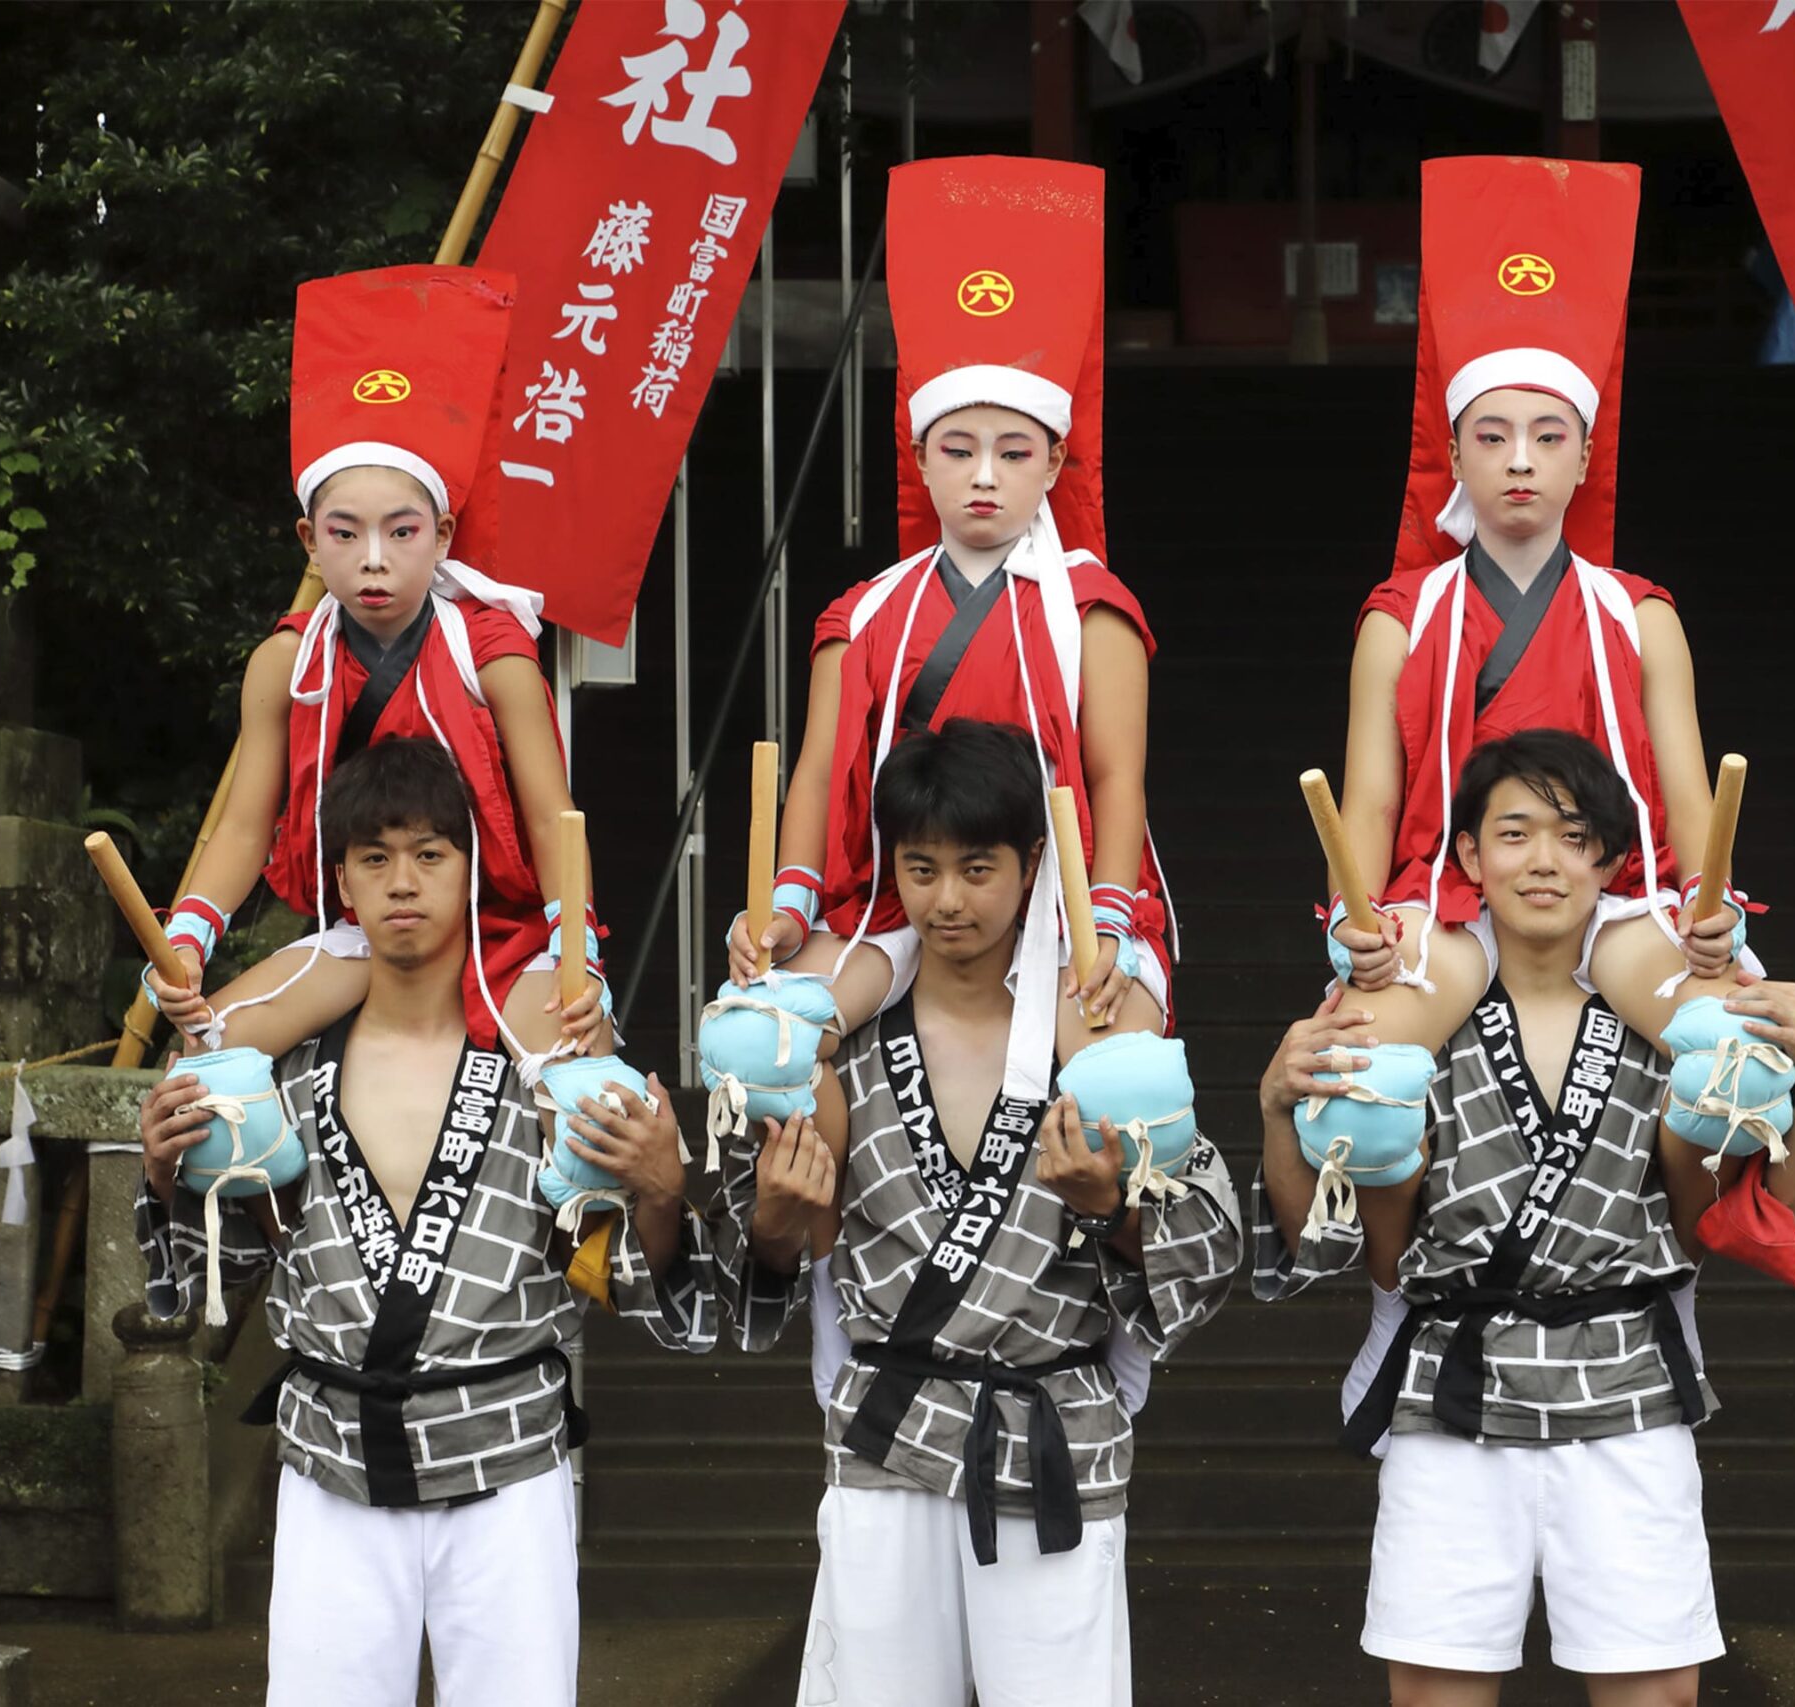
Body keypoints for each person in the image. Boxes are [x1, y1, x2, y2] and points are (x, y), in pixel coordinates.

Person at [1255, 730, 1795, 1705]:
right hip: (1451, 1396)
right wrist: (1280, 1105)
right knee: (1436, 1692)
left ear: (1612, 863)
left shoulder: (1668, 1019)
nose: (1542, 860)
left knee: (1653, 1693)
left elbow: (1757, 1219)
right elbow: (1352, 1243)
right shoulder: (1414, 1015)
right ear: (1469, 860)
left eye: (1574, 838)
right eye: (1514, 833)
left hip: (1628, 1394)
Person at [135, 738, 717, 1707]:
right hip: (331, 1467)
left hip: (507, 1465)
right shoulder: (288, 1076)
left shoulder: (536, 1072)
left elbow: (599, 1275)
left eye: (431, 854)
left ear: (473, 867)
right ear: (343, 884)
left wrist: (659, 1192)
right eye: (375, 857)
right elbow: (224, 1267)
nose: (403, 883)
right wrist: (165, 1176)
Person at [1315, 155, 1795, 1255]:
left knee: (1738, 1065)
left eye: (1547, 437)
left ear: (1587, 454)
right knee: (1358, 1085)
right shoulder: (1400, 616)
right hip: (1441, 898)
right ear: (1453, 456)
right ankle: (1410, 1283)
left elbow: (1685, 805)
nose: (1520, 461)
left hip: (1615, 894)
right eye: (1490, 437)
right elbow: (1369, 812)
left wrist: (1705, 906)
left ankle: (1670, 1237)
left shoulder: (1641, 615)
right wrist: (1354, 925)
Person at [712, 719, 1242, 1707]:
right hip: (886, 1436)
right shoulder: (841, 1036)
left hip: (1052, 1435)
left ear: (1033, 861)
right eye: (920, 869)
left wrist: (1111, 1209)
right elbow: (780, 1250)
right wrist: (780, 1215)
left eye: (977, 868)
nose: (946, 899)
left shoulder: (1098, 1035)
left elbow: (1206, 1250)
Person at [720, 157, 1176, 1165]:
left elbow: (1115, 780)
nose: (982, 476)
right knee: (757, 1047)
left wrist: (1106, 921)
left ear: (1056, 462)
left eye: (1014, 451)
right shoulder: (865, 611)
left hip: (1056, 900)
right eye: (956, 448)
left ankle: (1129, 1318)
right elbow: (818, 772)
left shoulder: (1093, 609)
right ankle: (831, 1314)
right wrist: (786, 902)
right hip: (898, 890)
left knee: (1128, 1086)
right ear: (918, 456)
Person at [146, 265, 603, 1071]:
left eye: (402, 532)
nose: (374, 561)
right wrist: (185, 936)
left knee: (578, 1080)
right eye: (345, 533)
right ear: (308, 540)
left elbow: (549, 818)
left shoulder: (492, 657)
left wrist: (577, 946)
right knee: (207, 1064)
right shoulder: (287, 664)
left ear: (444, 532)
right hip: (361, 927)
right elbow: (248, 824)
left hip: (496, 926)